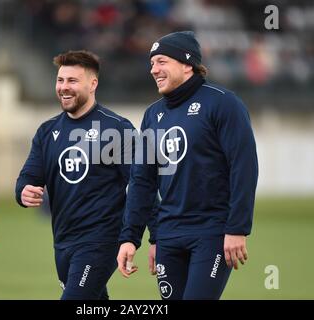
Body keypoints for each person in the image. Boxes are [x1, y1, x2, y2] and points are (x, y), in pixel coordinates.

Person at [117, 31, 258, 300]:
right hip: (169, 236)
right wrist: (132, 237)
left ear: (186, 63)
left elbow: (244, 167)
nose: (153, 70)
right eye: (151, 64)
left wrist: (237, 228)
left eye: (161, 62)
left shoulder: (223, 103)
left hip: (212, 233)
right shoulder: (152, 115)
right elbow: (142, 181)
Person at [15, 50, 156, 300]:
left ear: (93, 84)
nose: (64, 87)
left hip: (101, 242)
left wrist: (156, 235)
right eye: (60, 80)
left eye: (72, 81)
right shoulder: (47, 132)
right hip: (63, 242)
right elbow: (28, 176)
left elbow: (142, 184)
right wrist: (23, 191)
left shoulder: (116, 129)